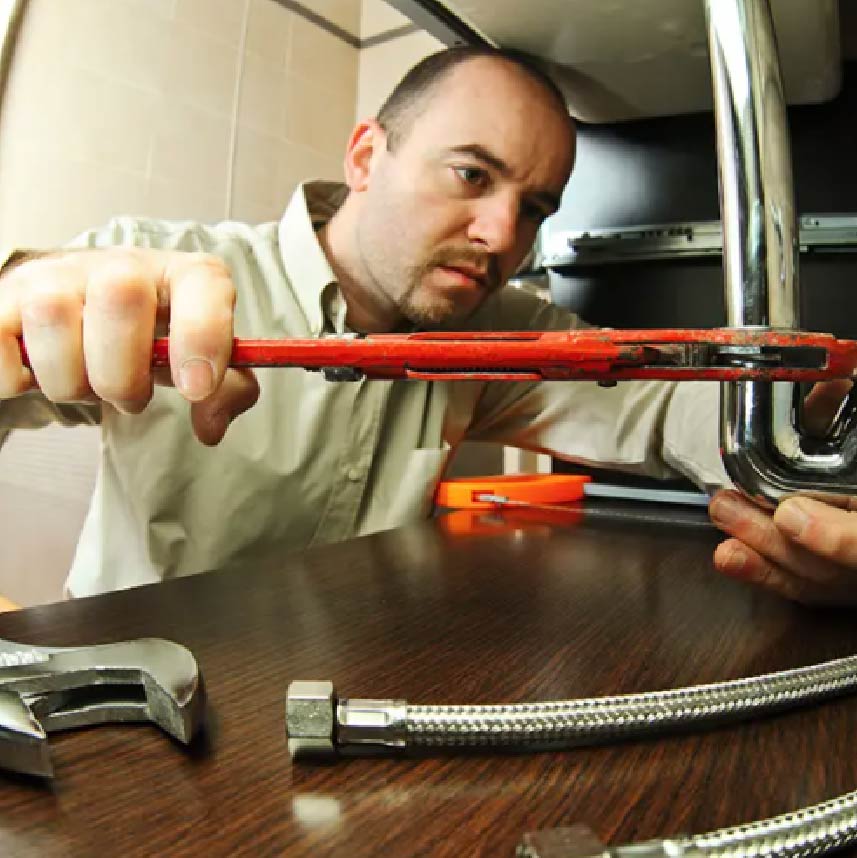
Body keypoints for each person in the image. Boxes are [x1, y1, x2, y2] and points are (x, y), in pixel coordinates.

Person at [0, 46, 854, 604]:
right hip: (118, 717)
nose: (501, 238)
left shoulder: (499, 333)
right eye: (471, 175)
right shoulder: (157, 275)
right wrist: (16, 321)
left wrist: (813, 428)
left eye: (534, 209)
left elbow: (664, 407)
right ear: (367, 157)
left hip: (353, 723)